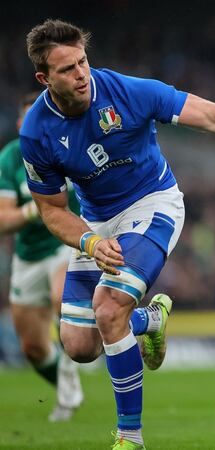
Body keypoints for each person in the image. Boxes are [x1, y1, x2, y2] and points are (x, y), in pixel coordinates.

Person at [21, 19, 215, 450]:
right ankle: (151, 319)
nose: (81, 74)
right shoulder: (36, 133)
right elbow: (51, 209)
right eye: (67, 69)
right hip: (97, 224)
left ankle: (130, 438)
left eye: (83, 61)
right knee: (78, 346)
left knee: (108, 311)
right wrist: (88, 240)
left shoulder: (129, 92)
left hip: (153, 204)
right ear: (43, 78)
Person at [0, 92, 83, 422]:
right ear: (21, 124)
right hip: (28, 256)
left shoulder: (69, 145)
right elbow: (3, 220)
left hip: (66, 242)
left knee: (61, 297)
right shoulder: (9, 159)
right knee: (32, 348)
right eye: (27, 119)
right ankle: (68, 381)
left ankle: (70, 384)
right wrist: (34, 211)